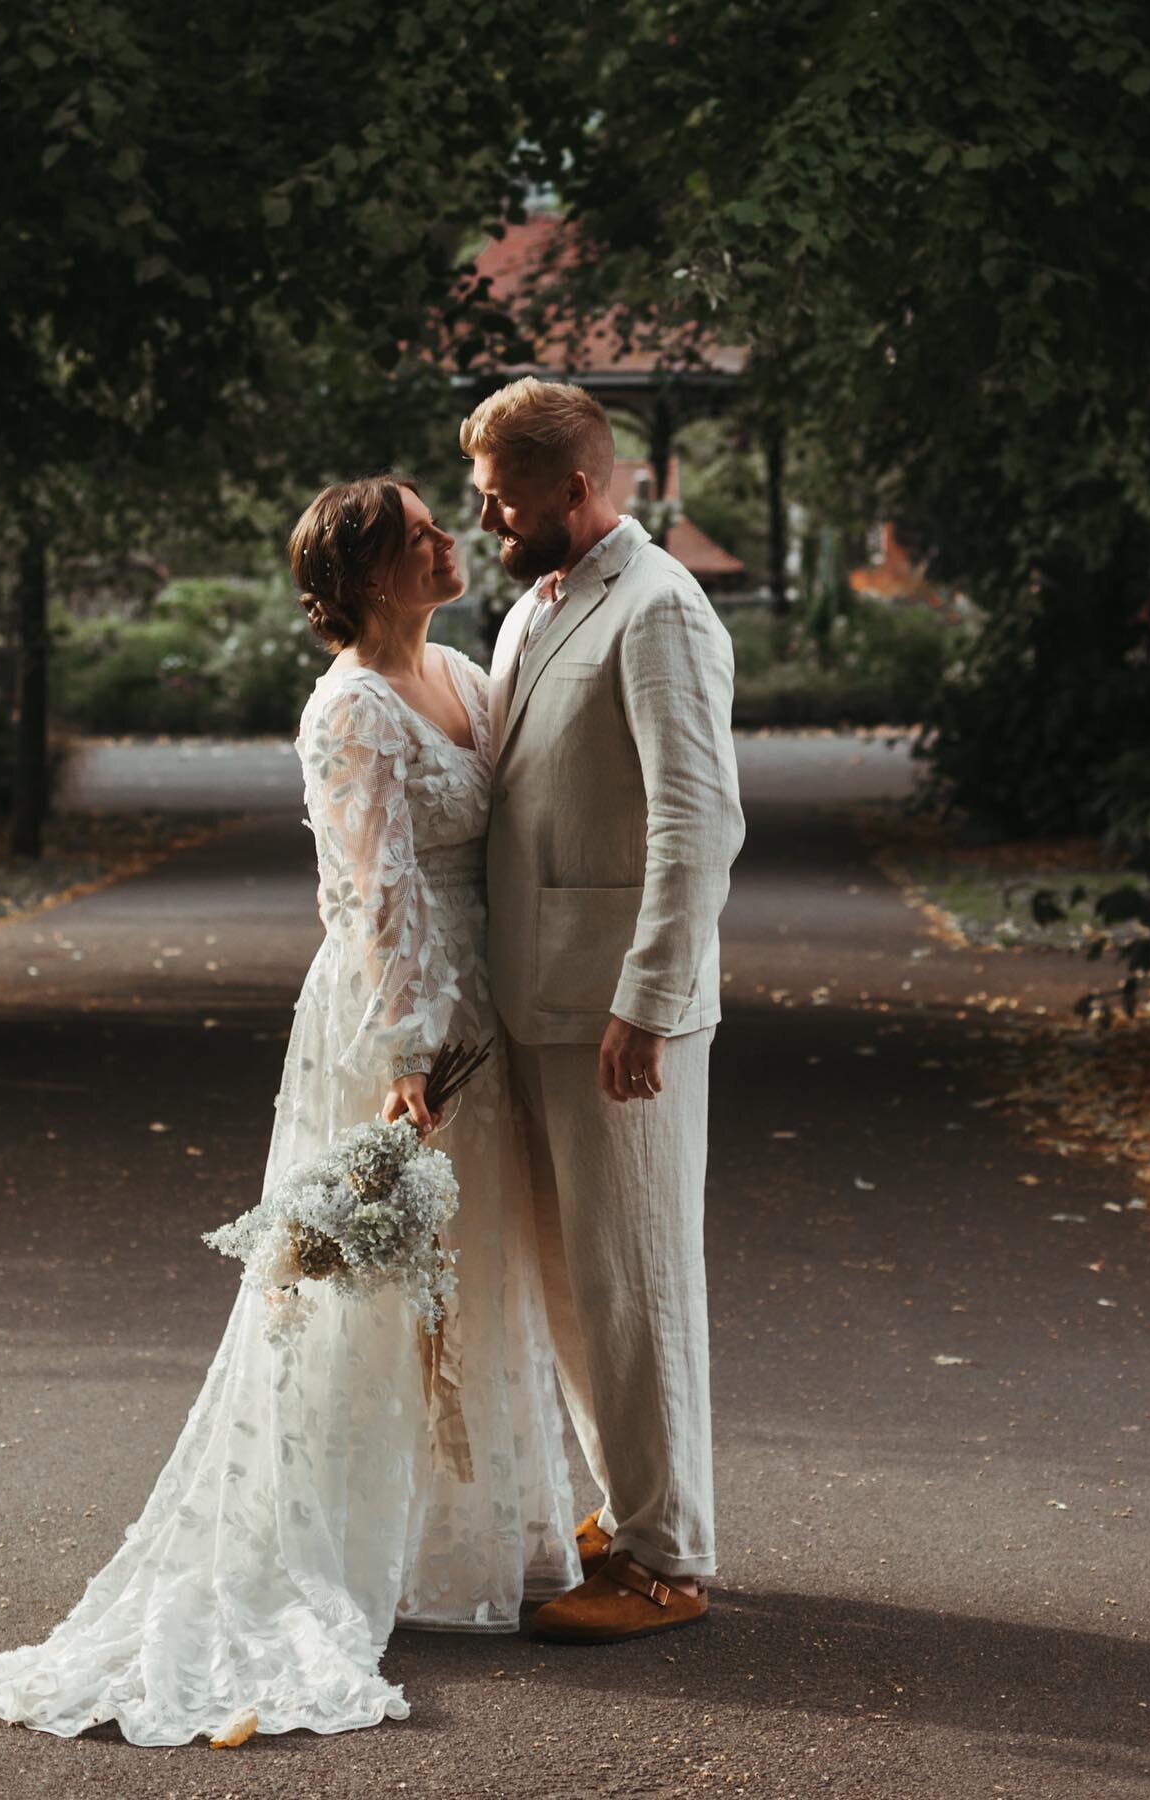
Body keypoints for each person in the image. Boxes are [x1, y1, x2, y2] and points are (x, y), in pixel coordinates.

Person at [0, 476, 577, 1746]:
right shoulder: (346, 710)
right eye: (419, 535)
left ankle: (461, 1540)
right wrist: (411, 1050)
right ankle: (335, 1546)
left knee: (475, 1268)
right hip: (396, 1018)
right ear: (364, 576)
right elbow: (372, 893)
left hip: (488, 1006)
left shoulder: (462, 673)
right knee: (371, 1282)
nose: (446, 540)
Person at [462, 377, 745, 1644]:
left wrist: (651, 995)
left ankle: (670, 1557)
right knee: (579, 1285)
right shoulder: (538, 606)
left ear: (576, 488)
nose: (485, 520)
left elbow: (700, 822)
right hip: (539, 999)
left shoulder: (660, 610)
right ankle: (635, 1505)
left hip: (622, 1013)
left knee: (636, 1283)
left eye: (501, 497)